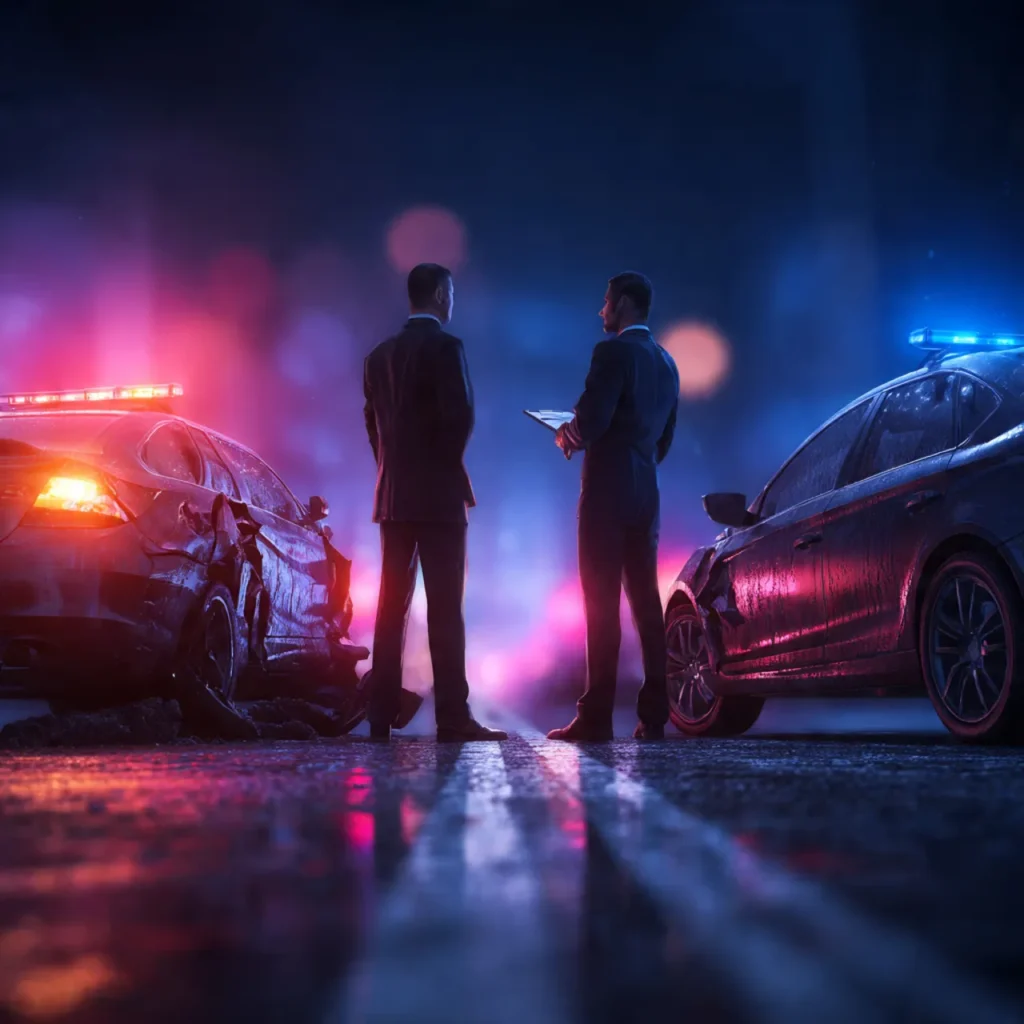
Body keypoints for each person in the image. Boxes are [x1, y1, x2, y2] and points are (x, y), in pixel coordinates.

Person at [362, 262, 507, 742]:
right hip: (439, 499)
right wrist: (441, 469)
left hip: (393, 498)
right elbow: (460, 417)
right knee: (446, 610)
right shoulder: (448, 348)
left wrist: (394, 470)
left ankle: (379, 714)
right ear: (442, 295)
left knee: (390, 608)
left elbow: (373, 427)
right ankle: (452, 717)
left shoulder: (378, 357)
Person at [548, 272, 680, 741]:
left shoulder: (612, 353)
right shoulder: (667, 362)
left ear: (623, 303)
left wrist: (567, 435)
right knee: (646, 603)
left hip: (606, 493)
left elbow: (591, 420)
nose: (601, 310)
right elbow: (664, 441)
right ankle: (655, 714)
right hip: (646, 492)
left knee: (600, 603)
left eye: (605, 302)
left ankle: (596, 716)